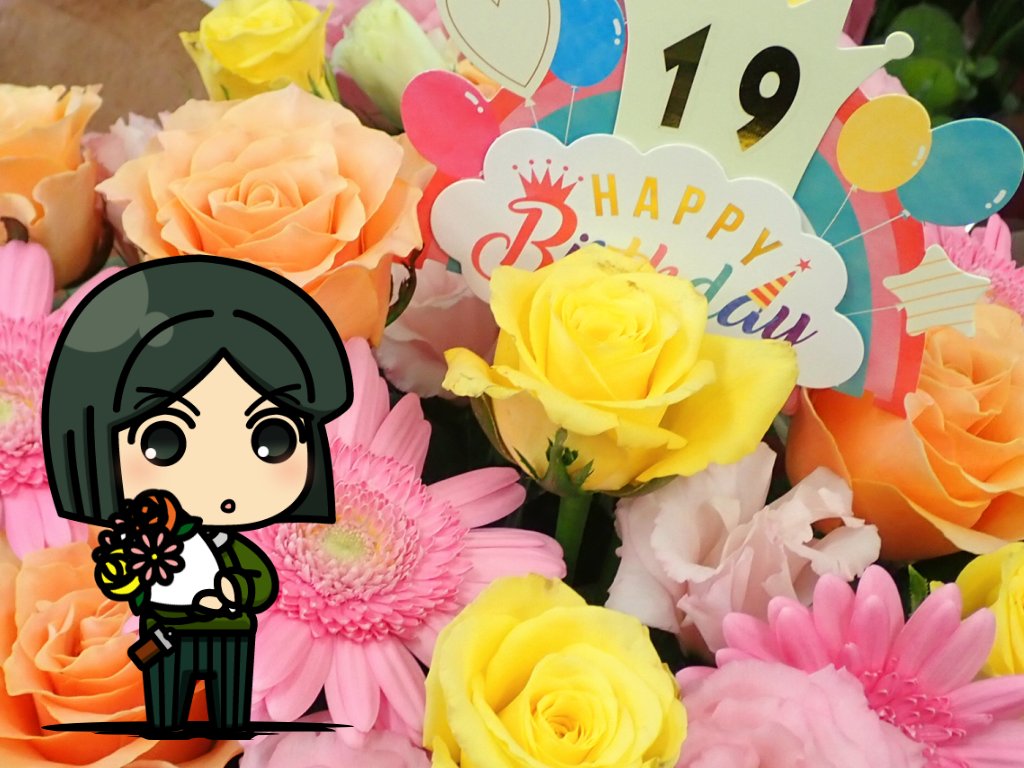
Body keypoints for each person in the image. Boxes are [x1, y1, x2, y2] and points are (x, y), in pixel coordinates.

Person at [42, 256, 352, 736]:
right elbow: (127, 585)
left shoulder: (236, 546)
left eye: (271, 439)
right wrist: (123, 577)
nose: (222, 476)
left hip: (230, 634)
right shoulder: (146, 541)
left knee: (229, 699)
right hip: (168, 636)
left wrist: (236, 592)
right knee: (168, 698)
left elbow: (259, 581)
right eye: (164, 441)